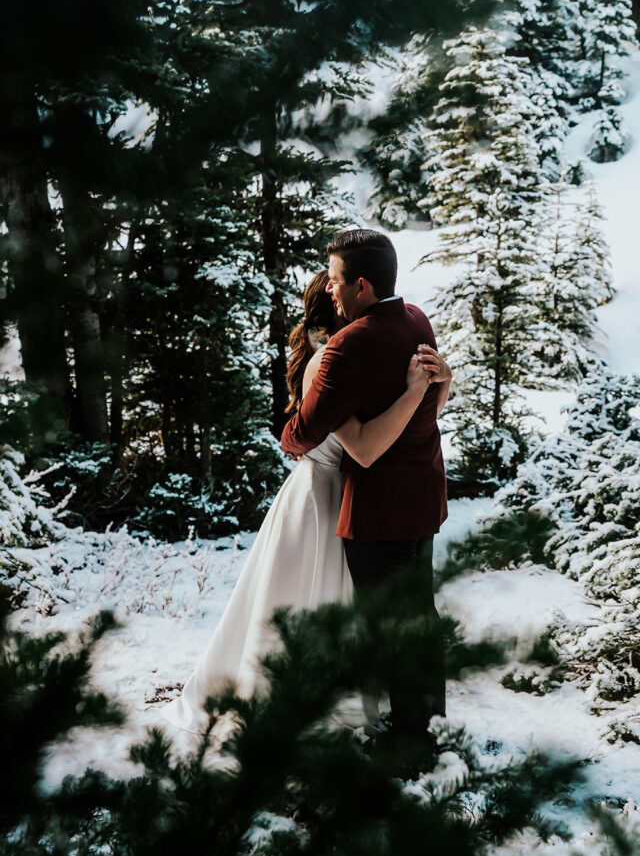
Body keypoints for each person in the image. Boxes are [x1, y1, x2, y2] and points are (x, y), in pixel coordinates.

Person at [164, 269, 449, 733]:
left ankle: (370, 694)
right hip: (321, 495)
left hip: (354, 493)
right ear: (335, 306)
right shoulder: (331, 365)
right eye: (337, 291)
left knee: (347, 599)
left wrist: (437, 383)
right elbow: (349, 442)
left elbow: (409, 424)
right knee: (304, 595)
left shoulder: (360, 356)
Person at [281, 229, 450, 753]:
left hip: (379, 512)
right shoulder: (416, 318)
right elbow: (427, 404)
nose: (329, 290)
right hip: (424, 496)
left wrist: (332, 419)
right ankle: (428, 720)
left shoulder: (349, 345)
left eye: (335, 281)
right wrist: (439, 385)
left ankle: (408, 738)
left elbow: (299, 436)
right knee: (420, 613)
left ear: (361, 284)